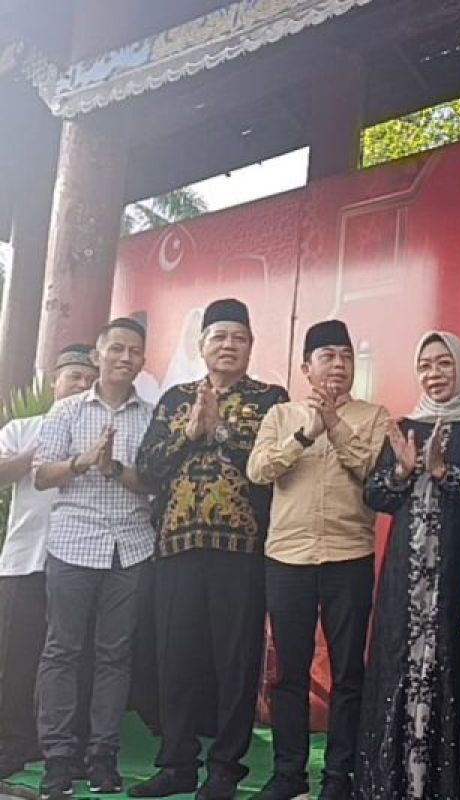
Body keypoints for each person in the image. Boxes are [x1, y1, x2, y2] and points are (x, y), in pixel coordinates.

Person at [132, 299, 288, 800]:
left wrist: (219, 429)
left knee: (235, 660)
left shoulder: (271, 399)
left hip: (242, 551)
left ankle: (225, 768)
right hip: (176, 548)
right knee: (175, 659)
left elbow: (270, 466)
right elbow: (149, 466)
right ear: (201, 345)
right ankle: (176, 763)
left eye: (237, 338)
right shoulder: (176, 398)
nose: (227, 345)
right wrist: (189, 431)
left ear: (250, 346)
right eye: (218, 336)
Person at [247, 320, 389, 800]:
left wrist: (335, 427)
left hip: (349, 556)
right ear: (307, 368)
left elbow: (376, 472)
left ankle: (340, 777)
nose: (338, 365)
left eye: (346, 356)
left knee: (349, 672)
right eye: (327, 356)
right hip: (288, 558)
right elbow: (259, 470)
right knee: (289, 671)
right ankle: (289, 775)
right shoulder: (281, 415)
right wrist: (305, 435)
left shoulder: (374, 417)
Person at [355, 331, 460, 800]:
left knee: (455, 669)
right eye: (426, 366)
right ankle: (395, 785)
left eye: (444, 364)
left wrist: (443, 474)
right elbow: (376, 496)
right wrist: (402, 471)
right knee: (400, 666)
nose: (434, 375)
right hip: (406, 582)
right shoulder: (405, 427)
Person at [33, 320, 157, 799]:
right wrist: (84, 463)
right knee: (62, 650)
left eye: (135, 352)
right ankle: (58, 762)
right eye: (117, 349)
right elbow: (43, 475)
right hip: (73, 544)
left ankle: (102, 758)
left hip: (130, 545)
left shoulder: (150, 416)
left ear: (143, 361)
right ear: (99, 355)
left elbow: (153, 483)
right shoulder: (65, 411)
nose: (125, 358)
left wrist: (116, 469)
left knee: (114, 655)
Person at [0, 346, 97, 780]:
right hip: (24, 560)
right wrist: (38, 455)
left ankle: (66, 747)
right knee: (15, 657)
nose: (78, 385)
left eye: (86, 378)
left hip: (80, 561)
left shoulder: (98, 430)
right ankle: (12, 744)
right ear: (54, 381)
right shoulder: (23, 427)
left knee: (72, 657)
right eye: (72, 376)